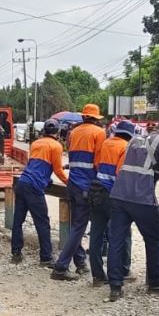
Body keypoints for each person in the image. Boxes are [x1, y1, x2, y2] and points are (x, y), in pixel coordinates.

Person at [105, 119, 159, 301]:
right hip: (142, 199)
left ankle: (115, 286)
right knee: (154, 240)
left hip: (119, 195)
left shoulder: (134, 140)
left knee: (116, 241)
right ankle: (155, 284)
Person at [50, 104, 107, 280]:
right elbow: (98, 163)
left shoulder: (73, 132)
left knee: (76, 226)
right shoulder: (99, 133)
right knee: (78, 228)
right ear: (96, 119)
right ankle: (60, 267)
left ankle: (81, 262)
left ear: (83, 117)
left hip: (73, 184)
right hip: (87, 185)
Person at [11, 119, 68, 265]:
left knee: (18, 221)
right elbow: (58, 170)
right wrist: (69, 183)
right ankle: (46, 258)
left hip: (23, 182)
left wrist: (46, 179)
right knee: (42, 223)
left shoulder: (36, 143)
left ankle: (16, 254)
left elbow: (35, 164)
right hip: (34, 187)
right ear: (58, 132)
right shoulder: (56, 146)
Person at [87, 120, 134, 286]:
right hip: (112, 194)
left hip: (96, 190)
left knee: (96, 234)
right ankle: (122, 270)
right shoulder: (126, 147)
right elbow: (120, 173)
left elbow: (96, 164)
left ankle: (98, 276)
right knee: (120, 234)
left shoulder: (106, 143)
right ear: (130, 136)